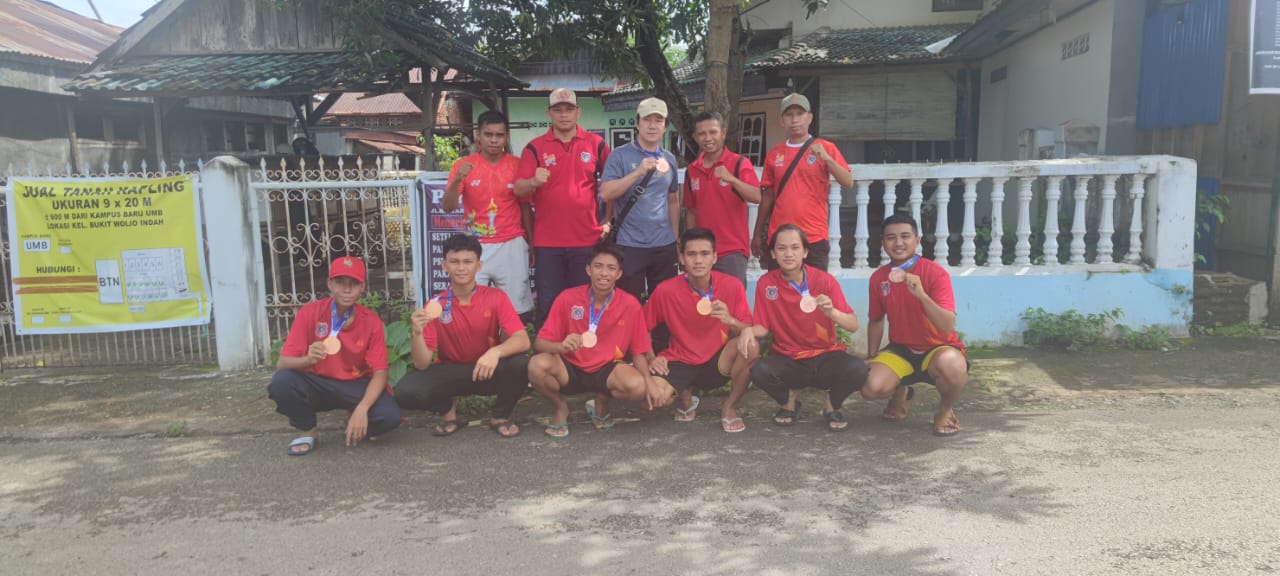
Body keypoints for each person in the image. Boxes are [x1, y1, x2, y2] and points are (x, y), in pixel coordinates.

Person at [527, 243, 671, 438]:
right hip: (569, 367)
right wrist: (560, 346)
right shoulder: (567, 298)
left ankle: (601, 402)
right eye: (598, 266)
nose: (604, 273)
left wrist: (649, 383)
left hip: (607, 368)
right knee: (537, 365)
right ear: (588, 269)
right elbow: (539, 343)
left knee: (639, 388)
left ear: (619, 274)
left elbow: (638, 351)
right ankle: (561, 408)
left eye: (611, 268)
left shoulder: (630, 305)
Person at [394, 234, 531, 438]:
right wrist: (417, 333)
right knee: (405, 390)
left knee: (521, 364)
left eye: (468, 262)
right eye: (454, 262)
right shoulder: (435, 305)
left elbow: (523, 340)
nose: (461, 268)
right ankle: (449, 414)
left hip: (486, 370)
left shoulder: (496, 297)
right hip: (452, 373)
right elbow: (422, 364)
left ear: (479, 265)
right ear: (444, 266)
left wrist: (495, 352)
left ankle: (501, 416)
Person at [735, 225, 868, 431]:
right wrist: (747, 330)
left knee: (859, 370)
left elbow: (853, 325)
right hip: (789, 359)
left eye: (795, 247)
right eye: (781, 248)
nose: (788, 254)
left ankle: (832, 405)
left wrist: (832, 312)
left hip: (825, 356)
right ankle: (789, 403)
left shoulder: (824, 281)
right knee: (760, 371)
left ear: (805, 252)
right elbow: (762, 327)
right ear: (773, 253)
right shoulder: (766, 283)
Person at [268, 256, 401, 455]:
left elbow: (380, 372)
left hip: (354, 385)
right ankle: (308, 431)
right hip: (317, 383)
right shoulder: (310, 313)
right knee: (282, 382)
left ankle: (352, 420)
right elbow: (282, 364)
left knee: (390, 417)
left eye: (354, 283)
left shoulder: (371, 321)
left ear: (362, 287)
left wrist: (362, 408)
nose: (347, 290)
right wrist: (308, 359)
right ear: (330, 284)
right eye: (340, 282)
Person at [862, 214, 968, 437]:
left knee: (954, 367)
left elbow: (947, 326)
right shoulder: (879, 278)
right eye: (891, 237)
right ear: (883, 243)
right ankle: (901, 393)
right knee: (870, 387)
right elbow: (876, 319)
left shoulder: (935, 273)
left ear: (917, 241)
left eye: (905, 236)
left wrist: (921, 295)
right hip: (901, 349)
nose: (898, 243)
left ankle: (945, 411)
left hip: (937, 349)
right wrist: (871, 354)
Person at [643, 228, 755, 432]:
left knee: (751, 345)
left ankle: (729, 408)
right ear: (682, 259)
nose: (698, 260)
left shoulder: (732, 286)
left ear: (714, 257)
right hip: (678, 360)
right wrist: (652, 358)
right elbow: (641, 329)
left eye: (704, 254)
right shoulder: (665, 290)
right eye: (691, 254)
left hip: (717, 361)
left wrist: (730, 320)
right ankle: (685, 397)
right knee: (652, 399)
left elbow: (748, 328)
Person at [514, 88, 610, 324]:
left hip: (586, 239)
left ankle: (584, 355)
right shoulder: (535, 147)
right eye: (558, 110)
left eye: (569, 109)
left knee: (584, 300)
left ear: (579, 112)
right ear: (549, 113)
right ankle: (548, 355)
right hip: (548, 243)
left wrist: (608, 220)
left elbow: (612, 187)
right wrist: (533, 181)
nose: (564, 115)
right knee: (549, 303)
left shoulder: (596, 144)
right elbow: (518, 189)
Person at [442, 110, 534, 322]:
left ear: (507, 137)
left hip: (511, 243)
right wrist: (457, 180)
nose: (494, 140)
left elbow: (525, 208)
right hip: (476, 247)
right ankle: (476, 354)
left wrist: (532, 244)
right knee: (473, 308)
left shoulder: (518, 165)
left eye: (499, 135)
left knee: (516, 310)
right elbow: (448, 206)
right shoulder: (463, 166)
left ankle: (513, 352)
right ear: (478, 135)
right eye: (488, 134)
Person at [751, 93, 854, 271]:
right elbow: (767, 195)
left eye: (800, 113)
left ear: (810, 117)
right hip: (780, 238)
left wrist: (827, 159)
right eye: (789, 115)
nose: (795, 119)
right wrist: (757, 234)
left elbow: (848, 182)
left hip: (813, 237)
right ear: (782, 121)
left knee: (815, 293)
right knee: (782, 293)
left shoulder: (826, 148)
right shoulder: (775, 154)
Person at [599, 97, 680, 301]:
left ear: (665, 125)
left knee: (663, 301)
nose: (652, 126)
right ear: (637, 123)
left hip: (663, 244)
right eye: (647, 120)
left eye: (658, 120)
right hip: (629, 243)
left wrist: (675, 238)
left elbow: (672, 199)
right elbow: (606, 193)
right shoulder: (620, 155)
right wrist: (637, 173)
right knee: (628, 302)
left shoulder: (669, 159)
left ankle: (661, 335)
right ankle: (633, 335)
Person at [683, 111, 762, 286]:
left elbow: (757, 197)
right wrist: (690, 245)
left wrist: (732, 179)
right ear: (695, 137)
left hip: (731, 251)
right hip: (702, 253)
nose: (708, 138)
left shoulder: (739, 163)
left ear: (723, 133)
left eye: (713, 132)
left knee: (733, 306)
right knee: (701, 306)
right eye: (702, 134)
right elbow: (691, 211)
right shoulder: (692, 170)